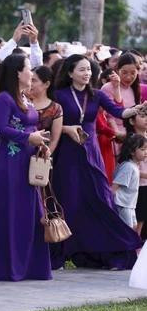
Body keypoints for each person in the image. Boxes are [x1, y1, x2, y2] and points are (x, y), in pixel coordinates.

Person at [50, 54, 144, 270]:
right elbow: (47, 122)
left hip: (92, 154)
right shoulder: (60, 95)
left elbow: (119, 111)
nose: (87, 74)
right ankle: (60, 252)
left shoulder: (97, 95)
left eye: (89, 70)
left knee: (101, 199)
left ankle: (111, 250)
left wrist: (135, 110)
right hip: (68, 155)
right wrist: (66, 130)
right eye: (82, 70)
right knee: (69, 201)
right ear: (70, 72)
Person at [0, 55, 52, 281]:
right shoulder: (4, 98)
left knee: (31, 212)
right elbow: (0, 129)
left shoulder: (25, 97)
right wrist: (28, 137)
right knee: (11, 211)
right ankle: (7, 267)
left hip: (29, 161)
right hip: (10, 163)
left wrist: (40, 143)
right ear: (17, 72)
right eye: (27, 68)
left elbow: (31, 126)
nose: (31, 72)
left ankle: (31, 266)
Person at [112, 134, 147, 231]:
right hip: (123, 205)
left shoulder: (134, 166)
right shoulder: (128, 167)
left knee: (133, 230)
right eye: (142, 149)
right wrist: (110, 204)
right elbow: (115, 187)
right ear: (132, 151)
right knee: (127, 232)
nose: (146, 152)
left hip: (129, 205)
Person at [124, 105, 147, 234]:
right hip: (138, 185)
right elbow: (127, 166)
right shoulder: (132, 140)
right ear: (132, 121)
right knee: (138, 219)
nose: (146, 119)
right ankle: (134, 246)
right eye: (142, 116)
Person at [30, 66, 64, 154]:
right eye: (29, 79)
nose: (30, 83)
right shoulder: (22, 102)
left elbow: (53, 140)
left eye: (33, 80)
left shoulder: (56, 108)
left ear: (47, 84)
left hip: (39, 156)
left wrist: (45, 156)